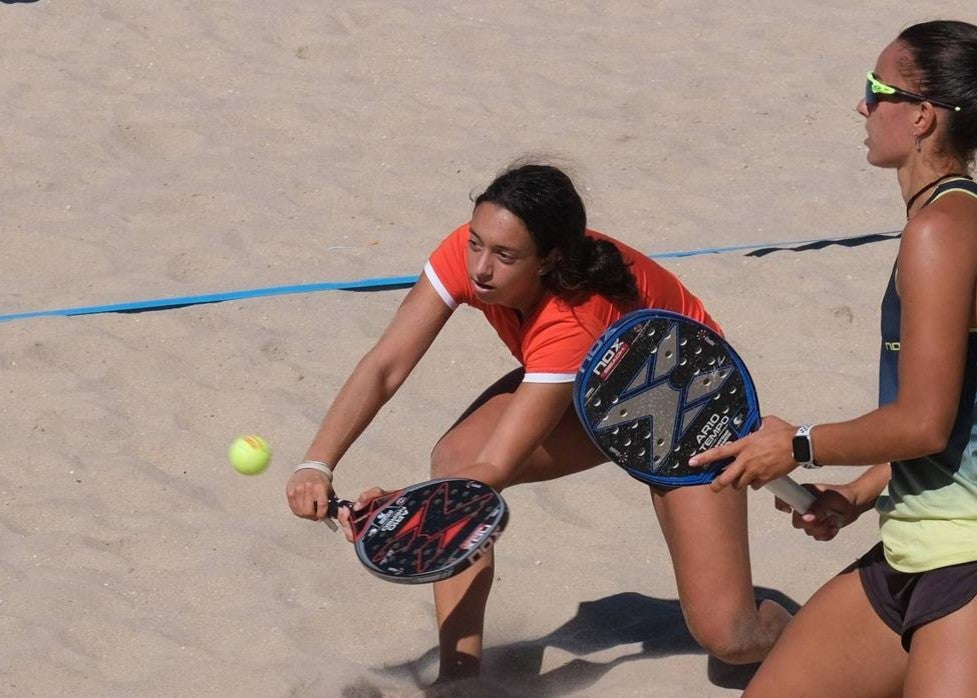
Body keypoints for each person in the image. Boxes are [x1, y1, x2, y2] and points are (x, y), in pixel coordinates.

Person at [284, 161, 790, 682]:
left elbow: (495, 467)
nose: (481, 268)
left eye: (504, 256)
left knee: (730, 639)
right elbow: (386, 365)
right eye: (477, 243)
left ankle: (811, 636)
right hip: (594, 388)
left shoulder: (569, 320)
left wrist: (400, 514)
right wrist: (316, 462)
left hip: (689, 406)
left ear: (550, 259)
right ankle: (460, 679)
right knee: (454, 460)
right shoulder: (474, 252)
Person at [690, 20, 977, 696]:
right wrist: (858, 494)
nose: (862, 107)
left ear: (922, 115)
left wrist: (798, 446)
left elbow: (921, 422)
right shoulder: (950, 221)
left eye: (875, 89)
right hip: (910, 554)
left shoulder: (941, 231)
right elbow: (956, 417)